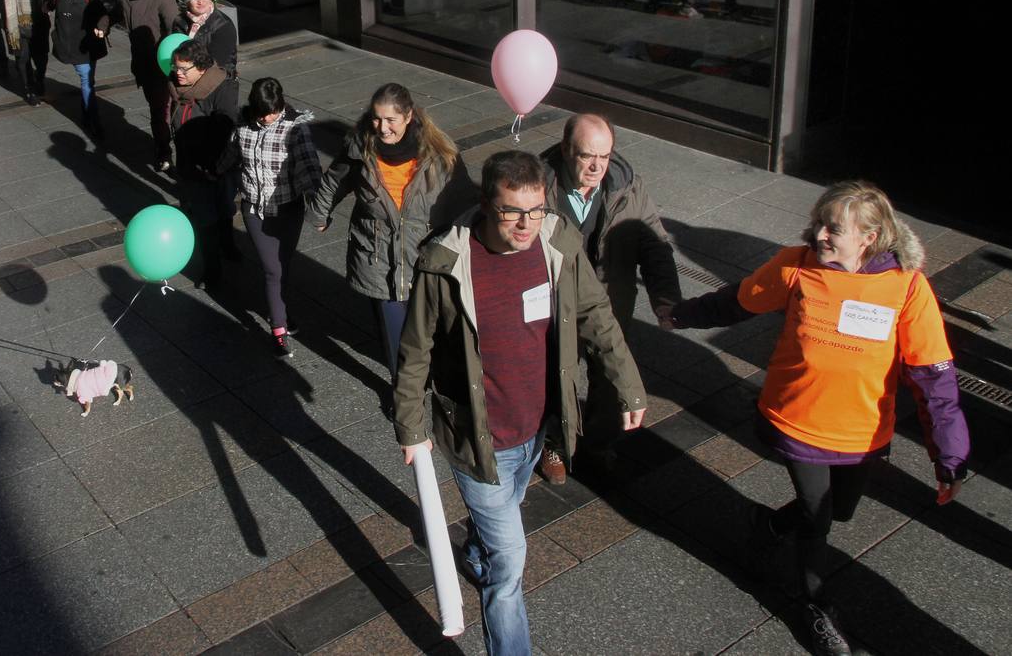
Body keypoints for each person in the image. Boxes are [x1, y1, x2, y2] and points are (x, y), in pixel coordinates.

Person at [661, 181, 968, 656]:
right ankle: (817, 607)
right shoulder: (797, 265)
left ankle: (769, 528)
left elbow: (934, 379)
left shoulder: (907, 287)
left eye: (834, 228)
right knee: (817, 517)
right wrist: (679, 316)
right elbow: (737, 301)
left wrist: (949, 456)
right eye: (820, 222)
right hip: (796, 420)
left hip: (862, 433)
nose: (820, 235)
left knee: (840, 510)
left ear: (869, 237)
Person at [395, 149, 647, 656]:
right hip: (477, 440)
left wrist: (629, 384)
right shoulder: (445, 263)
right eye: (513, 211)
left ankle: (478, 547)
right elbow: (415, 351)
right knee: (511, 562)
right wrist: (410, 425)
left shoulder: (557, 243)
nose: (526, 224)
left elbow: (596, 314)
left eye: (535, 210)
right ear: (489, 204)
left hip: (537, 429)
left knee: (503, 524)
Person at [534, 113, 680, 484]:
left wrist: (666, 298)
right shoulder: (537, 186)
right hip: (555, 305)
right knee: (554, 375)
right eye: (587, 156)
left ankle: (598, 444)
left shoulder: (627, 188)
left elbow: (654, 245)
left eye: (605, 155)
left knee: (608, 377)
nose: (598, 166)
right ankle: (552, 441)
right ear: (567, 150)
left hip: (611, 301)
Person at [309, 83, 474, 385]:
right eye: (376, 119)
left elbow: (465, 197)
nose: (382, 128)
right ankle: (404, 392)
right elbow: (335, 181)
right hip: (378, 259)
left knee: (430, 330)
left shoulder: (439, 152)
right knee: (396, 338)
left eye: (390, 120)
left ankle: (432, 378)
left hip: (425, 259)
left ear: (408, 116)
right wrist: (320, 214)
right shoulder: (359, 148)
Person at [228, 77, 321, 355]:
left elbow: (309, 168)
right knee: (273, 269)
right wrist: (214, 170)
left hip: (287, 209)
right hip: (254, 209)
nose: (268, 117)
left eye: (273, 111)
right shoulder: (242, 126)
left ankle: (280, 310)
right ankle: (278, 329)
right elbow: (231, 156)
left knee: (283, 265)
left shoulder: (294, 129)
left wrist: (319, 206)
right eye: (263, 112)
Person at [168, 37, 239, 290]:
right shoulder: (176, 87)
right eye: (175, 67)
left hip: (216, 165)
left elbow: (227, 126)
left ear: (201, 67)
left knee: (223, 210)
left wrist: (213, 166)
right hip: (191, 168)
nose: (177, 74)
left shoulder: (221, 88)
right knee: (206, 219)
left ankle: (225, 253)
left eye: (183, 69)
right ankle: (214, 269)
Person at [115, 0, 179, 170]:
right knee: (158, 112)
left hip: (166, 63)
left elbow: (174, 26)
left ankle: (183, 153)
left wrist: (175, 59)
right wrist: (102, 23)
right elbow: (115, 12)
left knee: (174, 110)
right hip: (144, 66)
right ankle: (164, 153)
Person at [51, 0, 110, 139]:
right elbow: (54, 2)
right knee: (86, 80)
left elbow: (98, 4)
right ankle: (87, 113)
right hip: (68, 42)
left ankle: (94, 120)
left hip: (86, 43)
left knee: (87, 80)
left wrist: (101, 24)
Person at [0, 0, 53, 105]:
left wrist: (45, 2)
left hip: (36, 22)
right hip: (14, 25)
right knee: (21, 60)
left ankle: (40, 78)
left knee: (40, 57)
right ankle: (29, 89)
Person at [172, 0, 237, 79]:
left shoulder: (223, 25)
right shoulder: (180, 22)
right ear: (187, 2)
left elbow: (216, 64)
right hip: (186, 81)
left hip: (220, 83)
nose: (200, 1)